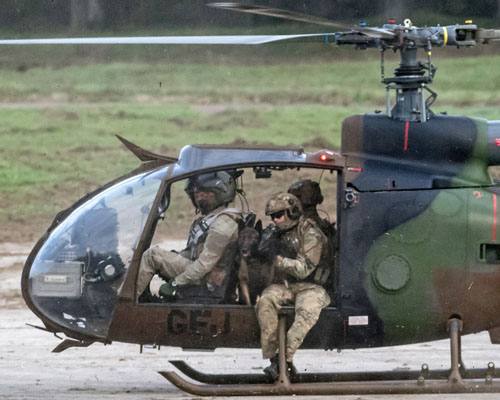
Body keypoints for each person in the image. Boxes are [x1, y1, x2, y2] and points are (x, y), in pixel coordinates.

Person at [136, 170, 243, 302]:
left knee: (152, 256)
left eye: (205, 193)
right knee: (157, 256)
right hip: (202, 271)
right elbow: (194, 253)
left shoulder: (222, 224)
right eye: (196, 194)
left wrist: (175, 283)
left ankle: (125, 302)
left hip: (207, 277)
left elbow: (204, 265)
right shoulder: (214, 218)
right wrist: (175, 257)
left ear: (221, 192)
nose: (199, 198)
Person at [256, 192, 331, 380]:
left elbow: (304, 268)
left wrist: (277, 260)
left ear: (293, 211)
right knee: (265, 301)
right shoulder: (275, 233)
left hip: (311, 286)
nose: (276, 220)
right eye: (273, 216)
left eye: (279, 215)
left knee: (306, 312)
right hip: (286, 286)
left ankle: (283, 360)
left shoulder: (310, 233)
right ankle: (274, 359)